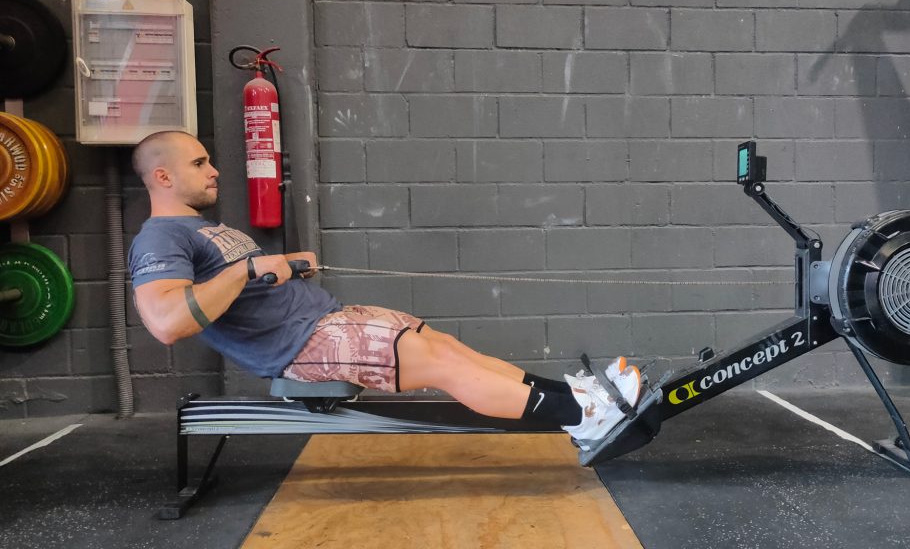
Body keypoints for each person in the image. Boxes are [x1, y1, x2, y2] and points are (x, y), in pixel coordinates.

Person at [127, 130, 643, 450]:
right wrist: (247, 271)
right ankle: (586, 419)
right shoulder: (160, 236)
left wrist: (284, 264)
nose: (214, 170)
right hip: (302, 346)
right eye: (199, 164)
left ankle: (577, 397)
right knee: (443, 366)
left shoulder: (200, 229)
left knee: (448, 348)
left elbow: (248, 278)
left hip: (326, 322)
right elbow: (167, 322)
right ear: (163, 175)